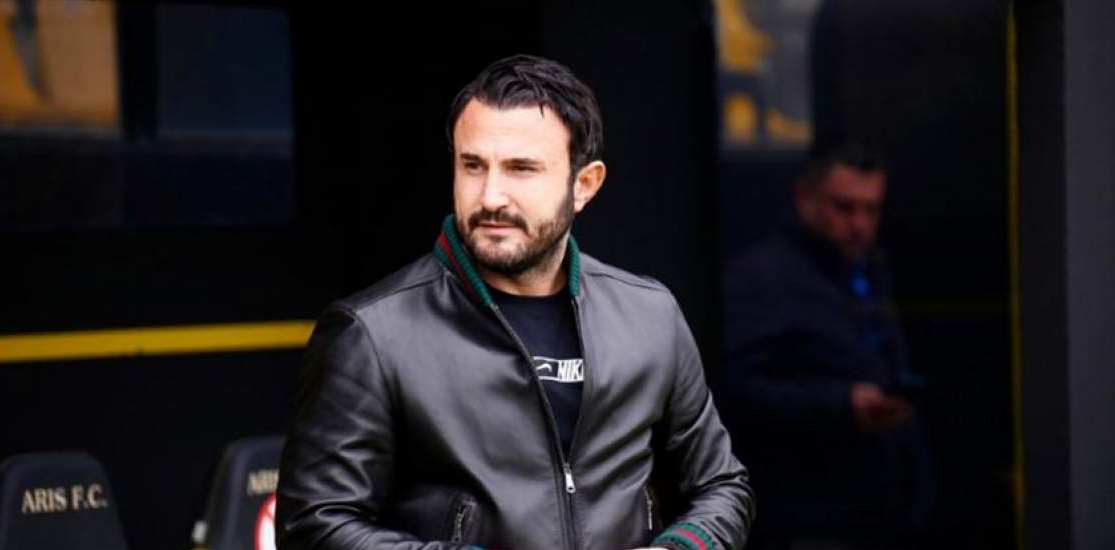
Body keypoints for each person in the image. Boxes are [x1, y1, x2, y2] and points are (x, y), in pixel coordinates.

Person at [276, 54, 753, 550]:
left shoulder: (649, 315)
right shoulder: (372, 333)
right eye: (473, 166)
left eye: (521, 169)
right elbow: (313, 524)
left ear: (584, 186)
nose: (491, 197)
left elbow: (721, 487)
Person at [720, 143, 934, 549]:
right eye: (845, 207)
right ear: (806, 199)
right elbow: (733, 390)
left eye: (871, 209)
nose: (860, 224)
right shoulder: (763, 279)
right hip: (804, 518)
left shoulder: (868, 270)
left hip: (877, 512)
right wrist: (841, 404)